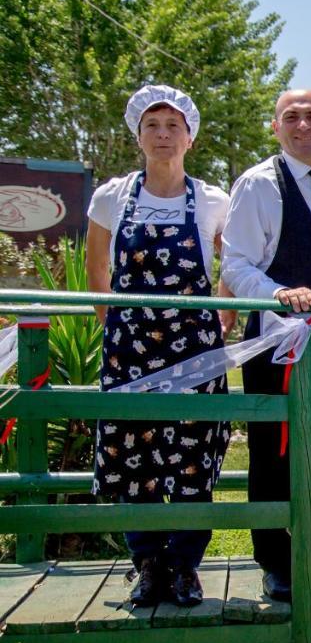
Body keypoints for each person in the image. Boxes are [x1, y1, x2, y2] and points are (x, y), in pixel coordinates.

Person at [86, 84, 231, 607]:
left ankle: (186, 566)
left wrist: (224, 322)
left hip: (195, 349)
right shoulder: (112, 196)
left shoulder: (214, 199)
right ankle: (147, 564)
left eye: (173, 126)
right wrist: (120, 327)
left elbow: (230, 270)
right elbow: (96, 272)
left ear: (189, 136)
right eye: (153, 125)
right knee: (136, 456)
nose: (163, 135)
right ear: (139, 135)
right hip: (130, 352)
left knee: (192, 453)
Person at [221, 89, 311, 602]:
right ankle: (275, 561)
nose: (303, 125)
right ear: (276, 127)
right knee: (271, 452)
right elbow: (236, 266)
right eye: (292, 117)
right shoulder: (258, 184)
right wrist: (277, 293)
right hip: (277, 343)